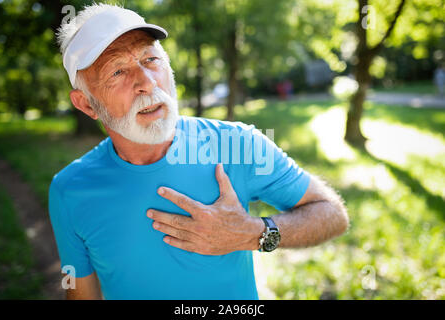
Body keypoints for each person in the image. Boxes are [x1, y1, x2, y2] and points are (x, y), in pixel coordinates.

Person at [50, 3, 349, 300]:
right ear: (86, 104)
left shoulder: (238, 145)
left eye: (150, 59)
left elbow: (333, 214)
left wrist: (252, 232)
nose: (147, 81)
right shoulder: (69, 190)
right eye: (117, 71)